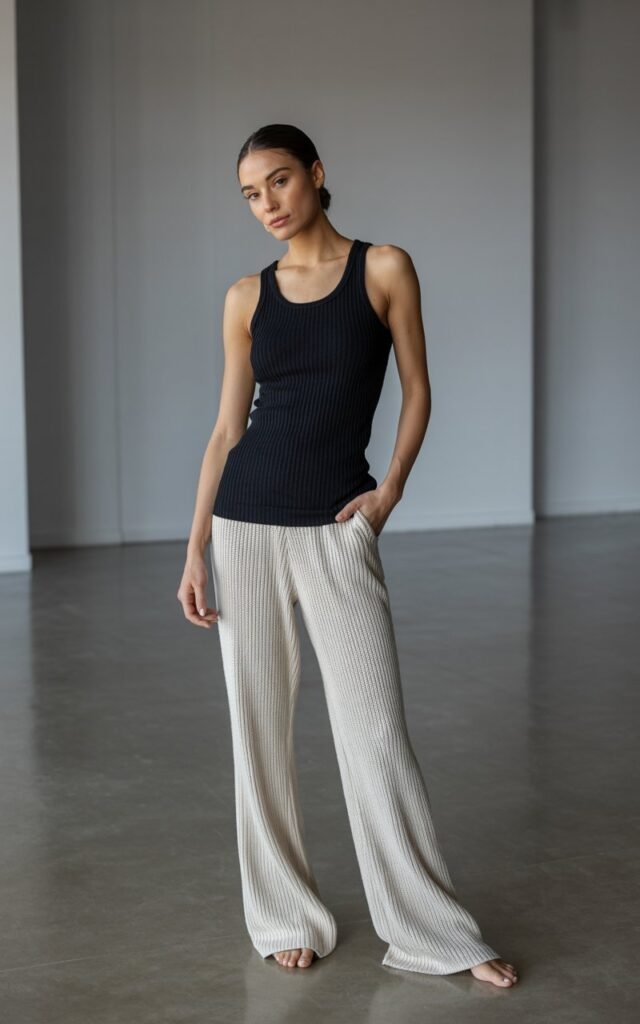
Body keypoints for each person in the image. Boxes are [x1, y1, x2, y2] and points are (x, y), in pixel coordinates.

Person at [177, 123, 518, 988]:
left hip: (336, 525)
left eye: (280, 182)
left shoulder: (384, 268)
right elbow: (225, 432)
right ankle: (285, 914)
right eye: (252, 194)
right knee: (258, 735)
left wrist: (389, 493)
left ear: (318, 174)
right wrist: (196, 549)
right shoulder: (245, 298)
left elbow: (417, 389)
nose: (269, 206)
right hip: (247, 523)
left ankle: (431, 930)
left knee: (374, 735)